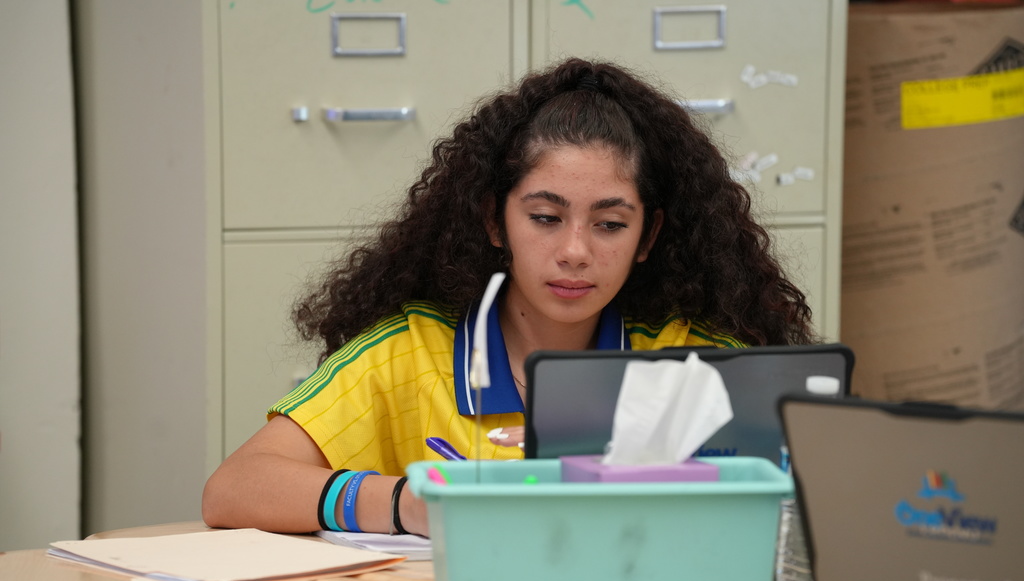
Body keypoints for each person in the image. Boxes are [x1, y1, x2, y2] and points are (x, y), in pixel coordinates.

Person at [202, 57, 816, 537]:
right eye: (545, 217)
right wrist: (405, 502)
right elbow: (233, 487)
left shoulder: (697, 361)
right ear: (496, 223)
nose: (575, 250)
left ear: (647, 235)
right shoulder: (404, 355)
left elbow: (805, 506)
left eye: (610, 224)